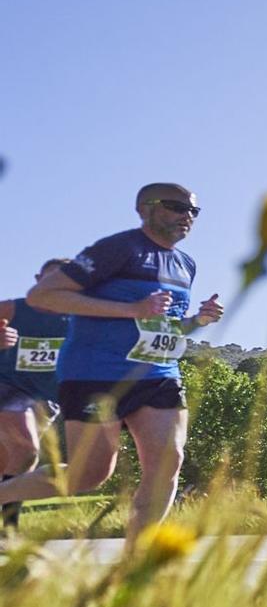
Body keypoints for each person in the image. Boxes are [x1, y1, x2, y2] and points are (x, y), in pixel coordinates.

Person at [0, 185, 223, 534]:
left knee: (168, 462)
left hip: (157, 372)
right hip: (95, 374)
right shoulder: (118, 249)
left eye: (194, 211)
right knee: (85, 475)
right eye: (177, 207)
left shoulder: (186, 264)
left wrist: (199, 320)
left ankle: (136, 568)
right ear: (145, 209)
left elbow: (163, 324)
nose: (187, 216)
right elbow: (44, 294)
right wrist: (130, 309)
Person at [0, 259, 70, 527]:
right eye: (51, 279)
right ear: (38, 279)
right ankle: (10, 530)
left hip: (48, 399)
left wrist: (194, 320)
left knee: (13, 460)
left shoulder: (81, 318)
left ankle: (6, 529)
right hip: (8, 387)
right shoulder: (14, 308)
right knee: (26, 448)